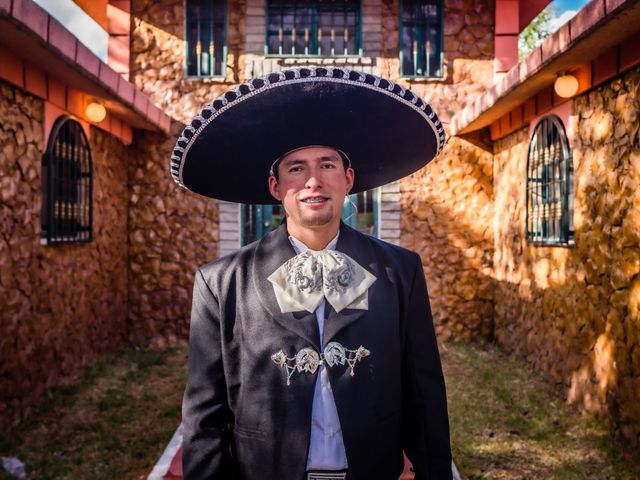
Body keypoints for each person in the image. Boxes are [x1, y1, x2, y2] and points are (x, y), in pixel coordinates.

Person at [171, 67, 452, 480]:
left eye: (328, 165)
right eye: (296, 168)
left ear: (348, 179)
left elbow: (425, 395)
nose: (314, 181)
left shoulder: (399, 271)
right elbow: (204, 414)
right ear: (275, 185)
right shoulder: (221, 282)